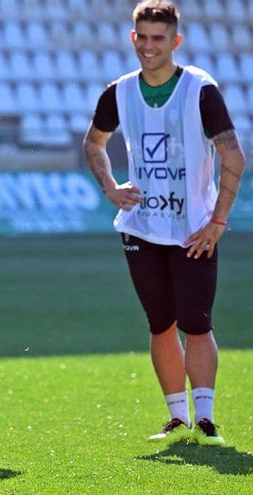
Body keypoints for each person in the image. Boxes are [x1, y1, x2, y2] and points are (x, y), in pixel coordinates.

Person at [83, 0, 245, 446]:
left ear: (175, 41)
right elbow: (94, 143)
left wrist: (217, 221)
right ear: (133, 39)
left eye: (160, 38)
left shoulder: (199, 90)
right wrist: (111, 188)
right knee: (160, 324)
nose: (150, 46)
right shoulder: (118, 91)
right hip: (143, 227)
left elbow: (233, 156)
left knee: (197, 322)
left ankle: (206, 419)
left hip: (194, 227)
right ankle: (177, 418)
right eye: (143, 38)